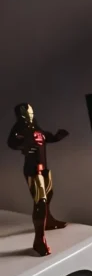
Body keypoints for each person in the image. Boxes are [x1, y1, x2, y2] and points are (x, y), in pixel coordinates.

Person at [7, 103, 69, 256]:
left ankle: (49, 221)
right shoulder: (19, 129)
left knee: (49, 195)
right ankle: (39, 240)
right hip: (33, 170)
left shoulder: (36, 128)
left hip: (44, 169)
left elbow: (46, 137)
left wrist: (58, 136)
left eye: (30, 112)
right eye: (26, 113)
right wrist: (23, 147)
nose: (29, 115)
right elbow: (11, 143)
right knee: (40, 201)